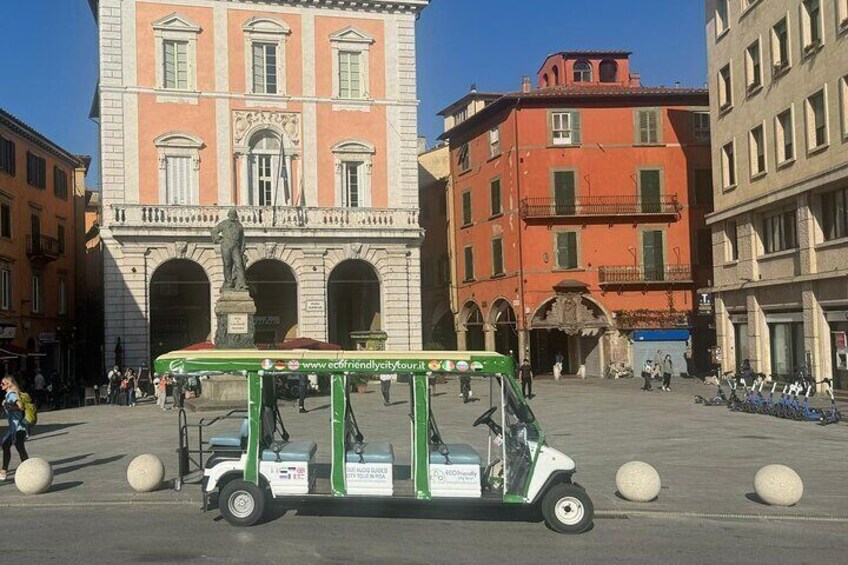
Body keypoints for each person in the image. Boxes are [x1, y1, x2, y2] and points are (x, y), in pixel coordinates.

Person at [1, 376, 29, 481]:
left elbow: (21, 406)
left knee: (8, 445)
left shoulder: (12, 395)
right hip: (16, 428)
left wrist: (8, 407)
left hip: (18, 427)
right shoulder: (10, 394)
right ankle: (27, 467)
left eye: (3, 384)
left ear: (9, 384)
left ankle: (4, 470)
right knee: (17, 447)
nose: (1, 385)